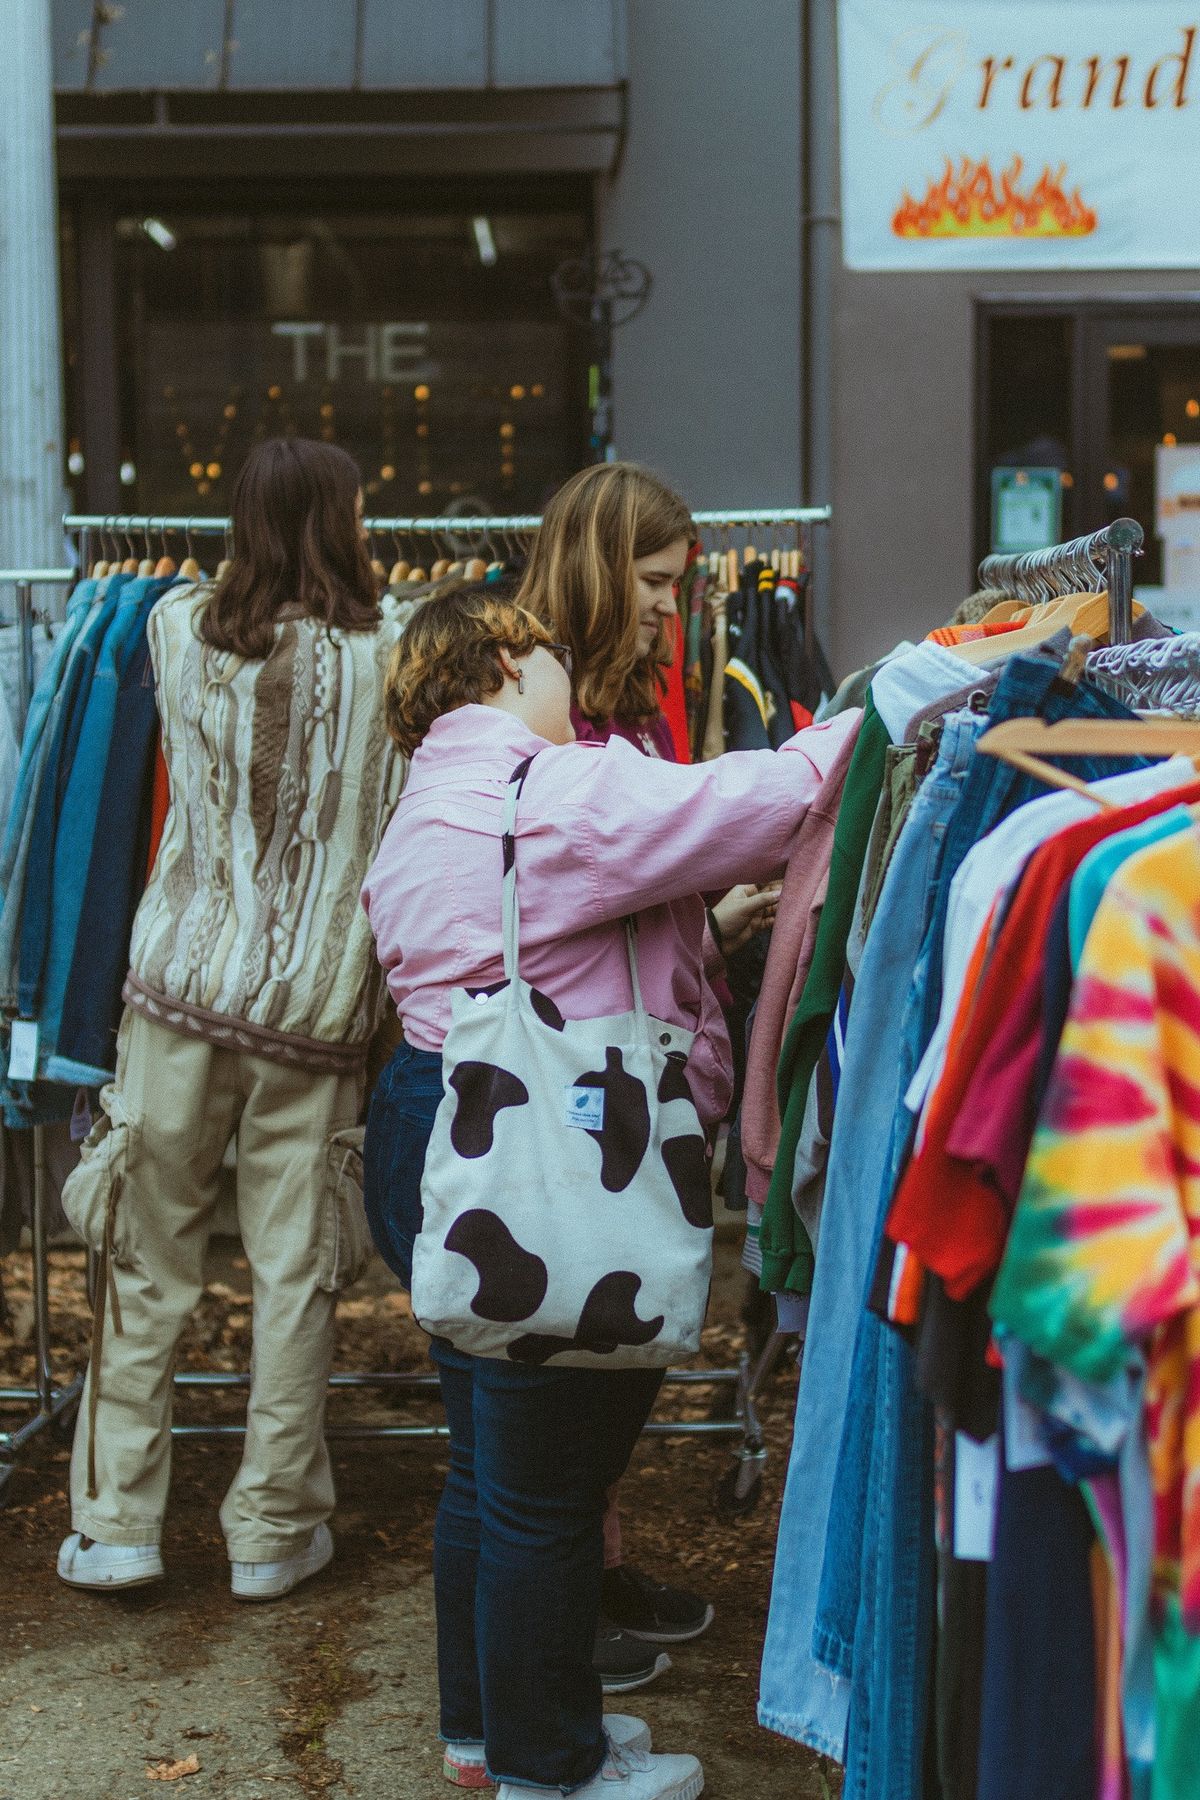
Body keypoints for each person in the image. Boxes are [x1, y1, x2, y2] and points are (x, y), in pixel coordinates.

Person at [361, 585, 858, 1799]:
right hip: (545, 1152)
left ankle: (491, 1737)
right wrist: (892, 704)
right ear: (501, 659)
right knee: (551, 1485)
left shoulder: (424, 800)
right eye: (548, 657)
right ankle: (551, 1766)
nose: (571, 682)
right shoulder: (557, 787)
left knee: (488, 1471)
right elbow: (772, 798)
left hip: (436, 1126)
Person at [57, 437, 409, 1600]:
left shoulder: (170, 630)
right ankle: (269, 1530)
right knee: (293, 1270)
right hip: (313, 1012)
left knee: (143, 1257)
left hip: (177, 997)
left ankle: (118, 1524)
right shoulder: (395, 652)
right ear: (343, 522)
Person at [514, 463, 779, 1674]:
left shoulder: (623, 697)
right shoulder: (538, 704)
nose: (678, 607)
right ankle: (565, 1609)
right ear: (602, 569)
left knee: (607, 1357)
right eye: (660, 582)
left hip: (642, 1056)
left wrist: (711, 927)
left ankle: (594, 1572)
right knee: (575, 1364)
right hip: (571, 1072)